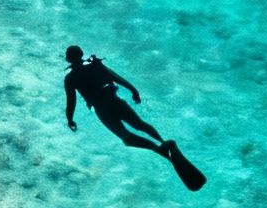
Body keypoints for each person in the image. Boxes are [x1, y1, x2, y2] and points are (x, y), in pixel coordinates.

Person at [63, 45, 206, 191]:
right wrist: (134, 91)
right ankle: (163, 142)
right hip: (116, 101)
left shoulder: (70, 78)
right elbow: (118, 78)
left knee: (127, 137)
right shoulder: (95, 65)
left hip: (103, 109)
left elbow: (71, 101)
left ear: (68, 58)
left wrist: (70, 119)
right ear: (81, 54)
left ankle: (157, 148)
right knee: (140, 125)